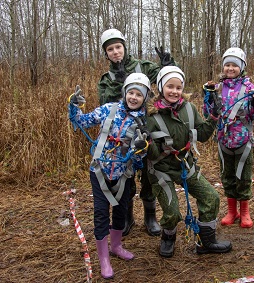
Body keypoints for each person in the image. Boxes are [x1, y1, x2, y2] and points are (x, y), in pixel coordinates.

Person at [68, 73, 152, 279]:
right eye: (131, 92)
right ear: (124, 92)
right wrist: (74, 105)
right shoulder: (108, 109)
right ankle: (104, 258)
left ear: (144, 98)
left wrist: (141, 150)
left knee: (121, 212)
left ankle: (116, 246)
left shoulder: (142, 122)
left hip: (123, 175)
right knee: (101, 214)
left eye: (139, 95)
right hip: (99, 171)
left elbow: (140, 161)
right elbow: (81, 121)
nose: (133, 97)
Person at [145, 66, 232, 258]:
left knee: (211, 198)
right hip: (161, 170)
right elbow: (150, 154)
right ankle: (168, 237)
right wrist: (144, 143)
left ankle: (205, 241)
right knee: (173, 212)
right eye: (170, 87)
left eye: (178, 87)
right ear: (161, 87)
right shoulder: (151, 116)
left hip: (185, 165)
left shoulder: (189, 109)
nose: (174, 91)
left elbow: (201, 135)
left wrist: (214, 118)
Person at [98, 28, 175, 237]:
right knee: (125, 174)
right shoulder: (107, 78)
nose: (115, 52)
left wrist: (169, 65)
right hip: (123, 132)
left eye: (118, 47)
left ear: (124, 47)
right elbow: (105, 105)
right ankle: (127, 217)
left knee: (149, 172)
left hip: (146, 125)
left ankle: (150, 217)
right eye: (110, 49)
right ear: (106, 53)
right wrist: (117, 84)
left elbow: (167, 82)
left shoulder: (142, 66)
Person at [202, 47, 254, 228]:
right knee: (227, 175)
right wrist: (208, 96)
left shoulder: (250, 88)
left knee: (243, 176)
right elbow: (209, 114)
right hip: (223, 139)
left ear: (242, 67)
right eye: (227, 65)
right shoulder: (218, 88)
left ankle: (245, 212)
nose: (230, 68)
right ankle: (232, 211)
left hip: (243, 140)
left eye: (234, 65)